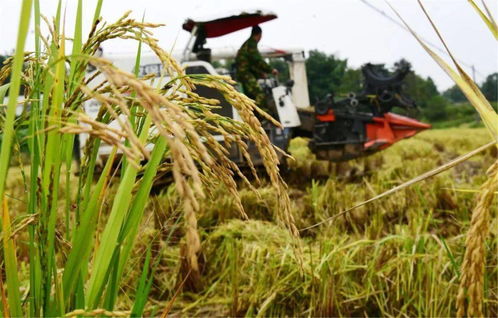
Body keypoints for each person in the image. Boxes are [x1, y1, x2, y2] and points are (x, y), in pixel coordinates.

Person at [235, 25, 278, 113]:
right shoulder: (251, 44)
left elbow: (251, 63)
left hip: (244, 73)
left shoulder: (247, 44)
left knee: (251, 95)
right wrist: (271, 70)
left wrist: (259, 73)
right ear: (259, 35)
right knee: (260, 94)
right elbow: (258, 60)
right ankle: (258, 115)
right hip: (245, 74)